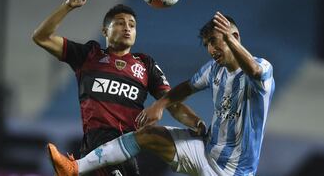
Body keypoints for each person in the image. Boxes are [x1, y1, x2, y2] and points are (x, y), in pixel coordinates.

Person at [46, 11, 275, 176]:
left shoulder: (262, 69)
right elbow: (187, 87)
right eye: (207, 44)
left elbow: (254, 71)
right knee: (147, 135)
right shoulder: (214, 69)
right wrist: (161, 104)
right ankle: (75, 168)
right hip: (205, 151)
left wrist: (228, 40)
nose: (211, 50)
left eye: (215, 41)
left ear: (234, 37)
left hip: (233, 172)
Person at [32, 0, 204, 176]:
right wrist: (68, 6)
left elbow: (173, 103)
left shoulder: (146, 64)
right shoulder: (88, 55)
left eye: (132, 25)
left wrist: (196, 123)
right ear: (105, 31)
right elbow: (42, 37)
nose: (127, 28)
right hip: (95, 146)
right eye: (120, 23)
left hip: (126, 151)